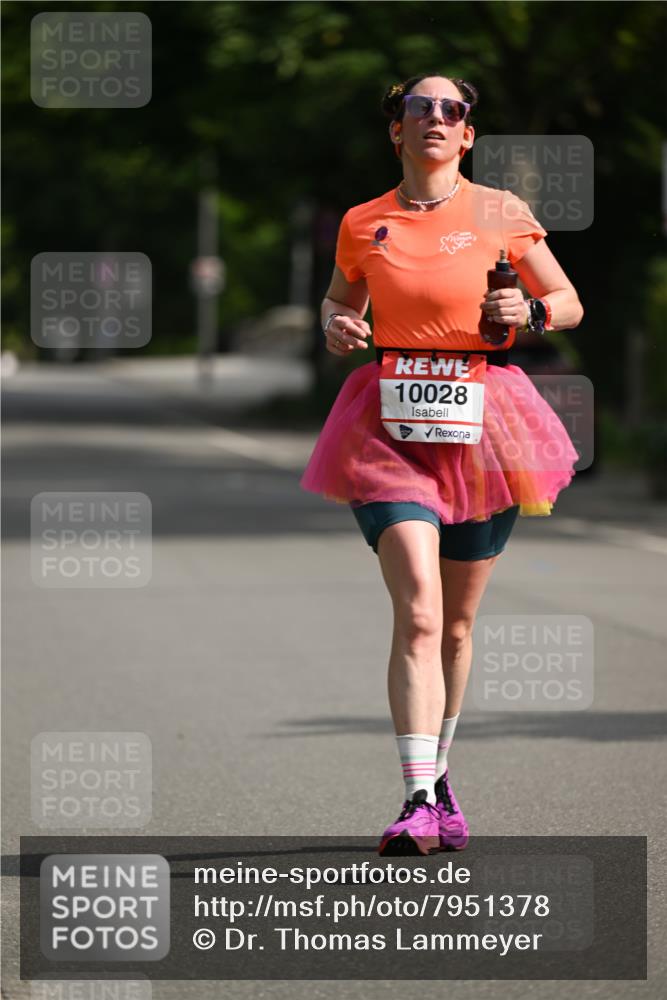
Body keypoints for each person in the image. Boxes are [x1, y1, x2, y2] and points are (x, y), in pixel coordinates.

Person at [300, 73, 583, 856]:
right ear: (396, 131)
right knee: (419, 608)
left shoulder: (500, 213)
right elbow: (338, 302)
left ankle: (442, 777)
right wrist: (336, 327)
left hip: (483, 423)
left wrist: (527, 311)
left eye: (448, 110)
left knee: (456, 624)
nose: (432, 118)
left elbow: (566, 300)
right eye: (416, 108)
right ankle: (416, 796)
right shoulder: (364, 221)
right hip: (387, 424)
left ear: (465, 134)